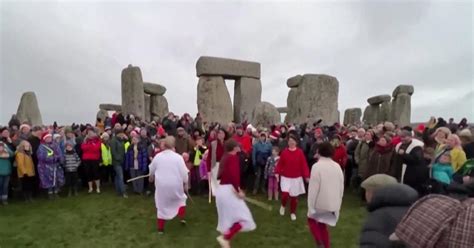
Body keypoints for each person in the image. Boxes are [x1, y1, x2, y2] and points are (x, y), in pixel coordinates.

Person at [215, 139, 256, 248]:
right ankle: (225, 238)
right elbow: (233, 176)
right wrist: (238, 191)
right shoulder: (233, 158)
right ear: (234, 148)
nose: (239, 147)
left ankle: (226, 239)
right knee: (244, 217)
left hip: (223, 190)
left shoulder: (225, 157)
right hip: (229, 191)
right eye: (238, 146)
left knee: (231, 218)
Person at [359, 174, 418, 248]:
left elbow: (371, 242)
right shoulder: (415, 213)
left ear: (373, 193)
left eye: (367, 191)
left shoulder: (378, 217)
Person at [307, 142, 344, 248]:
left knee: (311, 220)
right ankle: (326, 246)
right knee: (323, 225)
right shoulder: (337, 166)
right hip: (333, 202)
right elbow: (341, 187)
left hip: (320, 202)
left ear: (319, 151)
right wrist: (338, 202)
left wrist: (311, 207)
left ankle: (319, 243)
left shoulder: (317, 167)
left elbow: (313, 189)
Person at [149, 136, 189, 234]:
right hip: (175, 184)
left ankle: (160, 229)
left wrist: (151, 176)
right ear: (173, 145)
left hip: (162, 185)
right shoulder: (178, 158)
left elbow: (151, 169)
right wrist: (185, 182)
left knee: (161, 204)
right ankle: (182, 218)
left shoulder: (158, 157)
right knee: (180, 199)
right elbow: (184, 173)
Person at [275, 134, 310, 221]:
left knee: (294, 197)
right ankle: (283, 206)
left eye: (293, 141)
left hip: (296, 178)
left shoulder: (300, 152)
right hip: (286, 177)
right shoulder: (284, 152)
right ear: (288, 142)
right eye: (289, 141)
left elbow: (304, 165)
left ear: (296, 142)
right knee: (285, 195)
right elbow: (280, 164)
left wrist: (306, 176)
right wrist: (277, 172)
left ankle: (292, 212)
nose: (291, 142)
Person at [393, 128, 427, 194]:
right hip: (401, 171)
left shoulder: (416, 147)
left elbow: (417, 160)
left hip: (412, 173)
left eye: (404, 137)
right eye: (401, 137)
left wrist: (404, 154)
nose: (402, 139)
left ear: (410, 137)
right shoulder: (400, 145)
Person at [37, 132, 65, 199]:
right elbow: (42, 157)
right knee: (48, 180)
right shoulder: (42, 147)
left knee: (56, 179)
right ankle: (50, 193)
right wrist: (54, 158)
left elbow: (60, 154)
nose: (49, 139)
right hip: (45, 167)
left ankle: (56, 192)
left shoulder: (55, 145)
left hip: (55, 166)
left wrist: (60, 159)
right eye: (47, 138)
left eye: (50, 137)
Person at [81, 129, 102, 194]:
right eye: (88, 133)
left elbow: (96, 148)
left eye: (91, 133)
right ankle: (90, 188)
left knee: (96, 173)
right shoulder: (85, 141)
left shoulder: (98, 140)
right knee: (88, 173)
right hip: (86, 159)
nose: (90, 135)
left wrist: (89, 146)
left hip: (95, 159)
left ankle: (98, 187)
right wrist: (89, 145)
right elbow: (83, 148)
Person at [207, 128, 228, 196]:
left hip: (225, 165)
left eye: (221, 133)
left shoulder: (227, 144)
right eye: (219, 133)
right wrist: (208, 169)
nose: (220, 135)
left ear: (225, 135)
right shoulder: (213, 144)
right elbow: (209, 157)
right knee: (216, 184)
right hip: (215, 165)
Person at [110, 129, 128, 198]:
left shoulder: (121, 140)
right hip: (116, 162)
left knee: (117, 176)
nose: (123, 134)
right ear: (118, 134)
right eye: (121, 133)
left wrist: (126, 139)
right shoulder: (113, 141)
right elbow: (113, 152)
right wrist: (118, 158)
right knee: (120, 176)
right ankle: (123, 192)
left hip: (121, 161)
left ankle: (118, 191)